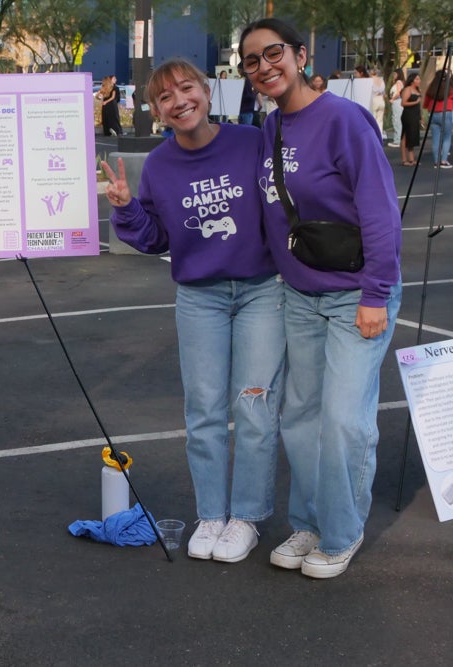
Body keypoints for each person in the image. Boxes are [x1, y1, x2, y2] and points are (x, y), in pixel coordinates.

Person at [101, 57, 284, 564]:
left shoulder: (250, 142)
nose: (179, 101)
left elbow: (285, 200)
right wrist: (124, 206)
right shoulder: (159, 164)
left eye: (187, 89)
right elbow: (156, 235)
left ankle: (245, 516)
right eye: (165, 97)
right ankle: (211, 515)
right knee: (203, 410)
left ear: (207, 91)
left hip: (260, 291)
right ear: (156, 110)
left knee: (253, 407)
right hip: (199, 297)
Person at [240, 18, 402, 579]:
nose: (264, 67)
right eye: (251, 61)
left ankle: (342, 532)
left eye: (273, 53)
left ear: (302, 55)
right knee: (301, 418)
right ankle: (308, 521)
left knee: (343, 422)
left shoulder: (344, 120)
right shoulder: (270, 127)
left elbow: (380, 210)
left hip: (356, 294)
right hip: (301, 297)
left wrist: (376, 293)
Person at [423, 69, 453, 168]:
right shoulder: (449, 87)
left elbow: (426, 103)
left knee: (436, 138)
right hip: (446, 112)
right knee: (447, 137)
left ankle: (436, 161)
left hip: (433, 113)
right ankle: (443, 160)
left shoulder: (432, 88)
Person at [400, 73, 422, 166]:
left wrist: (421, 117)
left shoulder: (417, 90)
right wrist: (415, 102)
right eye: (417, 79)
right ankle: (404, 159)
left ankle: (412, 158)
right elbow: (403, 103)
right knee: (406, 136)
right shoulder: (408, 89)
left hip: (415, 115)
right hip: (408, 115)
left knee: (412, 136)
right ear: (412, 80)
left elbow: (419, 105)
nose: (419, 81)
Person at [388, 69, 405, 147]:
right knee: (397, 120)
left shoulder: (398, 82)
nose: (394, 76)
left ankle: (397, 140)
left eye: (395, 74)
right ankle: (398, 139)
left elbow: (398, 92)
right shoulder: (399, 82)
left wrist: (393, 99)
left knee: (396, 120)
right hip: (398, 102)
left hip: (397, 102)